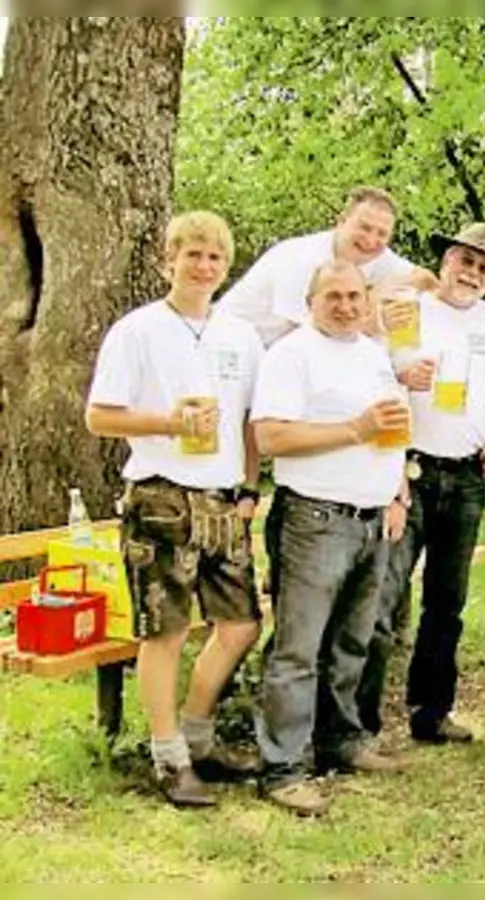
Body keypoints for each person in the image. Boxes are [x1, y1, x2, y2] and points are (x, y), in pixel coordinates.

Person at [84, 211, 265, 808]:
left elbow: (248, 421)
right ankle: (167, 759)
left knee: (240, 624)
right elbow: (99, 416)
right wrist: (167, 422)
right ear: (168, 260)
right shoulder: (137, 331)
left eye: (215, 257)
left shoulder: (239, 334)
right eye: (192, 254)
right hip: (161, 497)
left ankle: (198, 734)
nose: (204, 265)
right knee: (165, 630)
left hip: (222, 501)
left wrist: (248, 487)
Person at [251, 259, 411, 816]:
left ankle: (340, 741)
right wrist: (354, 430)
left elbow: (392, 428)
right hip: (315, 519)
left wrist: (395, 491)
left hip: (372, 518)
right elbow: (270, 436)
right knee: (299, 649)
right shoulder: (291, 355)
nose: (345, 306)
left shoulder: (371, 354)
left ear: (366, 301)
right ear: (310, 301)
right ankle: (283, 767)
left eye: (353, 296)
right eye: (333, 296)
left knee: (351, 641)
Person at [358, 224, 485, 744]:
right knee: (384, 595)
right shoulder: (411, 309)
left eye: (483, 267)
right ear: (446, 261)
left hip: (469, 476)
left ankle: (431, 713)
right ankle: (359, 722)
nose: (471, 273)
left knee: (447, 603)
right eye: (465, 261)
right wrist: (404, 377)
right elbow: (377, 369)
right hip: (411, 471)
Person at [218, 186, 436, 346]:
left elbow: (426, 279)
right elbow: (312, 339)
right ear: (341, 222)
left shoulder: (377, 256)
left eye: (382, 233)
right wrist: (374, 317)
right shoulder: (301, 259)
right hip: (227, 349)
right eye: (364, 227)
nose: (371, 240)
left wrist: (394, 287)